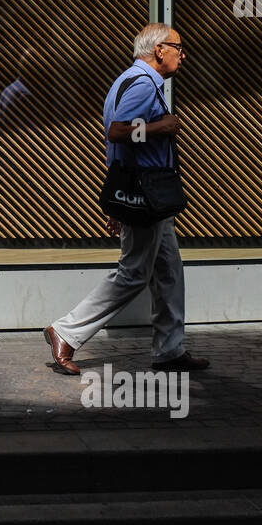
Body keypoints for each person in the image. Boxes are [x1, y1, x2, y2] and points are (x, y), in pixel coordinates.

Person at [43, 23, 209, 375]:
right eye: (179, 47)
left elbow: (117, 146)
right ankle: (66, 330)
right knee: (133, 274)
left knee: (168, 272)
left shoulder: (134, 81)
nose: (183, 55)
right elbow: (116, 132)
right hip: (145, 196)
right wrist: (158, 127)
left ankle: (169, 350)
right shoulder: (143, 83)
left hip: (147, 196)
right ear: (159, 50)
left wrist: (116, 200)